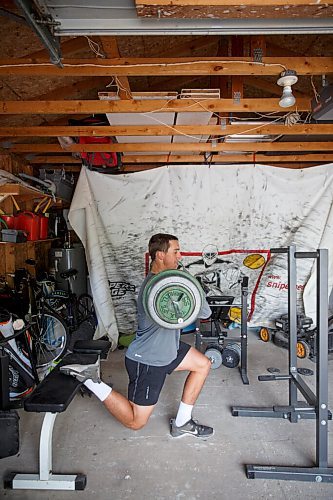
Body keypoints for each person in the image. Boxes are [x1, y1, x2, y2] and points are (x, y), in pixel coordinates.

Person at [60, 233, 213, 438]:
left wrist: (188, 283)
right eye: (176, 251)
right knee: (135, 422)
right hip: (149, 359)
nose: (180, 256)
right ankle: (89, 379)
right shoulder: (156, 290)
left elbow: (202, 312)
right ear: (160, 255)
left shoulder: (167, 282)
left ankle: (183, 422)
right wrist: (191, 282)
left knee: (202, 364)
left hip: (168, 350)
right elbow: (204, 312)